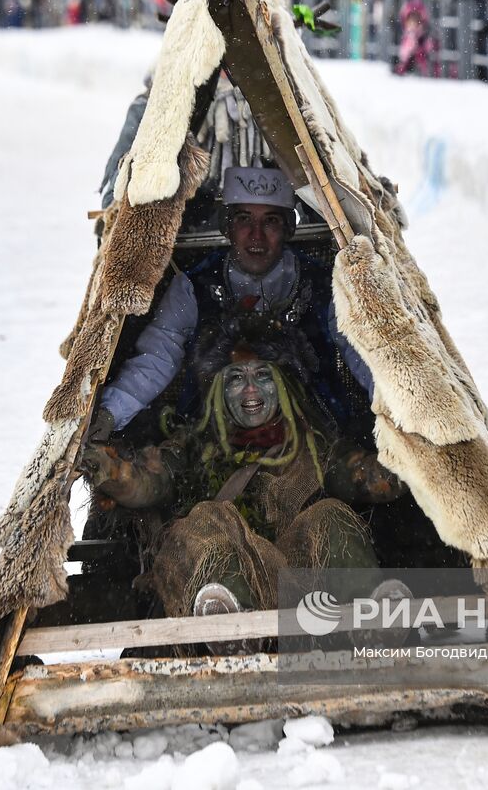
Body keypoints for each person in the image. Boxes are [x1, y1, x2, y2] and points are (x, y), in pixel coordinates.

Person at [84, 336, 401, 648]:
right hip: (226, 591)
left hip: (301, 593)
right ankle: (231, 628)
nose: (250, 388)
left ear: (281, 384)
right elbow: (150, 481)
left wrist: (407, 465)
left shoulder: (314, 447)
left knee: (329, 513)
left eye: (263, 375)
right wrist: (112, 472)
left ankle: (370, 622)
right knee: (208, 518)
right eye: (236, 378)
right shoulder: (194, 447)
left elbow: (362, 475)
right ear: (220, 390)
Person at [93, 165, 372, 439]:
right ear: (227, 227)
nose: (256, 235)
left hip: (316, 436)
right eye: (244, 219)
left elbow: (364, 351)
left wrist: (397, 407)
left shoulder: (327, 284)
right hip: (209, 439)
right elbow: (157, 356)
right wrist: (111, 413)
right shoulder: (193, 286)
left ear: (288, 229)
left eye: (271, 220)